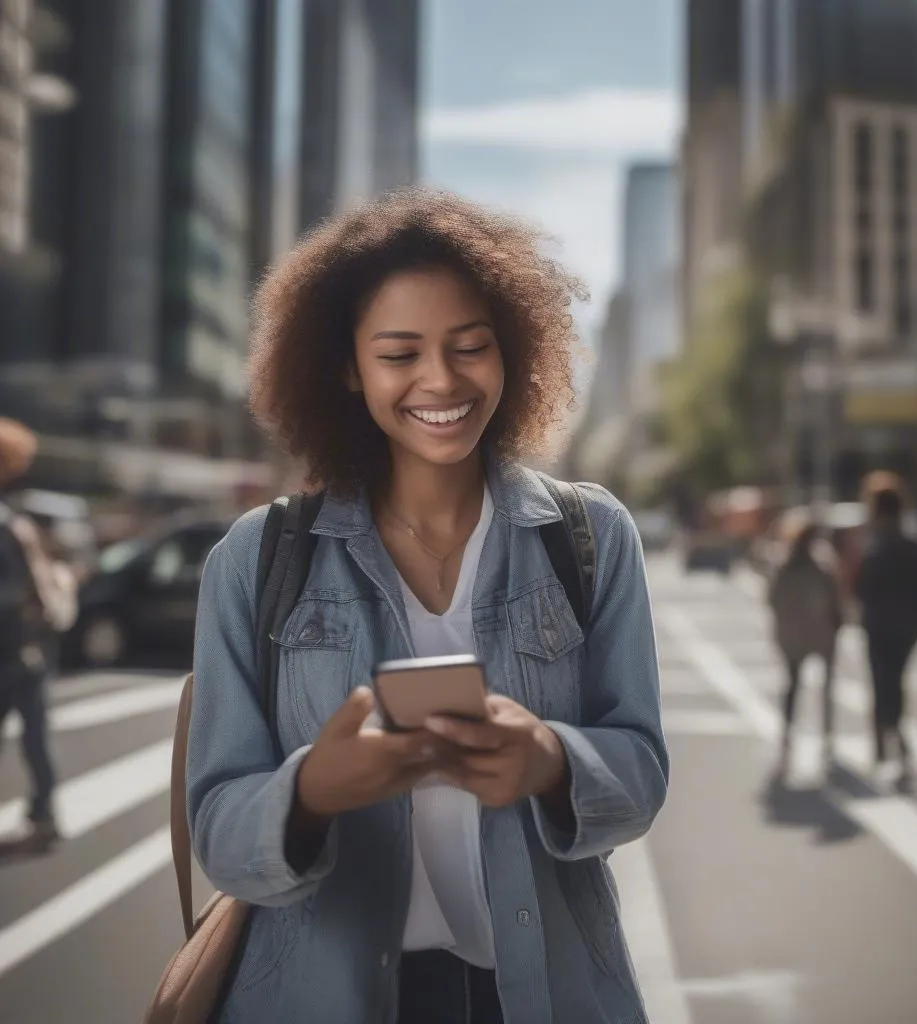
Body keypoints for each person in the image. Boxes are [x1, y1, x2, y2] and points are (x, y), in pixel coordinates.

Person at [186, 189, 669, 1023]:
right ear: (347, 366)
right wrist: (311, 793)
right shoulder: (253, 559)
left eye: (470, 346)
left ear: (512, 350)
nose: (440, 380)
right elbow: (220, 831)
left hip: (543, 998)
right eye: (399, 353)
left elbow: (642, 774)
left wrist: (552, 763)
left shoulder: (589, 539)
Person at [0, 419, 73, 852]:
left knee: (34, 736)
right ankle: (44, 814)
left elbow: (9, 594)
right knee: (35, 736)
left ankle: (44, 814)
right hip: (28, 649)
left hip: (15, 651)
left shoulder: (7, 523)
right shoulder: (15, 520)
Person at [855, 485, 917, 786]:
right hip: (904, 627)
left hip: (882, 626)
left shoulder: (878, 548)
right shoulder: (913, 547)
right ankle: (890, 746)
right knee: (893, 685)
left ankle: (886, 747)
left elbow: (862, 588)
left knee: (883, 685)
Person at [768, 520, 843, 775]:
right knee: (826, 686)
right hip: (820, 633)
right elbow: (835, 600)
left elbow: (773, 598)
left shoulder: (785, 564)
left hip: (792, 634)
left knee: (792, 686)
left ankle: (788, 735)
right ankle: (827, 735)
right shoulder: (823, 564)